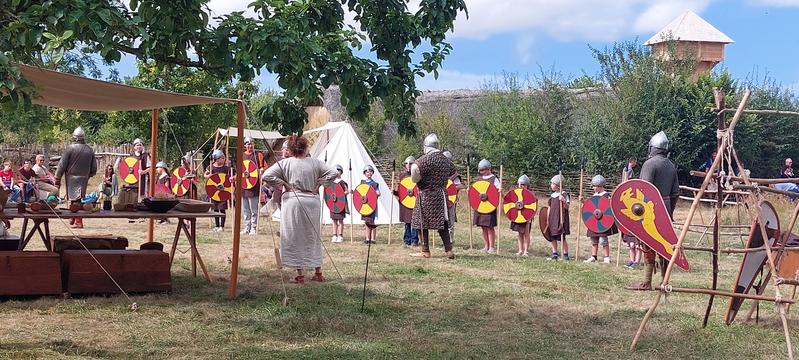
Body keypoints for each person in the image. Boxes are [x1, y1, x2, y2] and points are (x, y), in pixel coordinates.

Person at [262, 135, 338, 284]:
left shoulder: (285, 163)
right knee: (312, 236)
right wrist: (320, 183)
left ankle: (300, 274)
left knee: (294, 237)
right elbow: (334, 172)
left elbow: (266, 175)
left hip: (293, 202)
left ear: (290, 149)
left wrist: (283, 184)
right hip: (312, 201)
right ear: (305, 148)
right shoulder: (315, 163)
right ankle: (318, 272)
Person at [626, 131, 680, 291]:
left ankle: (646, 281)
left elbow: (643, 190)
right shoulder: (670, 165)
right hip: (666, 208)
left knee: (648, 243)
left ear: (652, 148)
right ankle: (664, 281)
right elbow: (675, 193)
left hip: (650, 210)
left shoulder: (650, 164)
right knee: (664, 245)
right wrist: (669, 211)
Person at [410, 133, 457, 259]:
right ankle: (449, 250)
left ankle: (425, 250)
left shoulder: (425, 159)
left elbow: (414, 168)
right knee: (443, 223)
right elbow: (453, 171)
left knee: (420, 221)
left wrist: (417, 179)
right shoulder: (445, 160)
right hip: (441, 195)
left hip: (426, 194)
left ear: (426, 146)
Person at [55, 127, 97, 229]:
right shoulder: (89, 149)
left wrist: (57, 177)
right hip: (84, 178)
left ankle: (78, 221)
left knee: (75, 200)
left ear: (74, 137)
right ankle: (73, 217)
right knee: (77, 199)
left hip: (72, 177)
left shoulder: (70, 148)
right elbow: (94, 168)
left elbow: (62, 164)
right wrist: (88, 174)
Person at [583, 175, 618, 264]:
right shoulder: (594, 196)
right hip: (594, 221)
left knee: (603, 240)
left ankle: (606, 257)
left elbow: (609, 209)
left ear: (599, 186)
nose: (593, 188)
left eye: (594, 186)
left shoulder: (606, 196)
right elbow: (590, 207)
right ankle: (593, 256)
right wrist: (583, 201)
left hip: (603, 222)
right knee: (594, 239)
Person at [233, 137, 261, 235]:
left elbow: (264, 167)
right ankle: (247, 227)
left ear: (254, 144)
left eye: (251, 143)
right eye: (247, 144)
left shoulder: (258, 155)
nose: (249, 146)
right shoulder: (241, 156)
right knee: (245, 209)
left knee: (253, 209)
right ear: (245, 145)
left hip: (253, 185)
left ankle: (253, 227)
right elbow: (240, 171)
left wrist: (260, 171)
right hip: (243, 185)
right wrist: (235, 177)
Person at [474, 159, 500, 254]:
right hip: (480, 206)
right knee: (483, 226)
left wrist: (499, 191)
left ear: (488, 169)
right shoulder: (479, 179)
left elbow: (497, 191)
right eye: (480, 171)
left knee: (489, 226)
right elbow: (475, 190)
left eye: (483, 170)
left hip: (489, 206)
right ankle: (486, 246)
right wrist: (470, 190)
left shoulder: (494, 179)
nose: (481, 172)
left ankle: (492, 247)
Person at [394, 156, 418, 247]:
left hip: (414, 201)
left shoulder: (417, 175)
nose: (408, 165)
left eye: (410, 164)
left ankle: (414, 240)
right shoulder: (402, 176)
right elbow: (402, 190)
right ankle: (407, 239)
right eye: (406, 164)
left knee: (414, 221)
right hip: (405, 201)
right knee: (407, 222)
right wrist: (395, 192)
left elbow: (418, 189)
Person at [443, 150, 466, 243]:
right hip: (440, 198)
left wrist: (451, 187)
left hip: (450, 199)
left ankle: (450, 240)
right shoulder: (439, 172)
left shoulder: (454, 174)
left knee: (450, 220)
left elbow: (460, 186)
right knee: (442, 220)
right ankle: (444, 240)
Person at [205, 149, 231, 232]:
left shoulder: (226, 168)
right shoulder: (211, 167)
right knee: (215, 208)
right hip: (214, 191)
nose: (223, 160)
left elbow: (231, 177)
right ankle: (216, 225)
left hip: (223, 191)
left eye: (224, 158)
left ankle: (222, 226)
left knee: (222, 208)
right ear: (216, 159)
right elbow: (205, 175)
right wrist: (209, 175)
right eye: (222, 158)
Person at [546, 174, 571, 261]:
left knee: (562, 237)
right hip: (553, 218)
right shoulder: (552, 196)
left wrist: (563, 201)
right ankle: (554, 253)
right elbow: (549, 207)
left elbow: (567, 207)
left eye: (553, 184)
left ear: (558, 185)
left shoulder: (564, 194)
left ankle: (565, 254)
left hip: (560, 219)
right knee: (553, 237)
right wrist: (547, 218)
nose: (551, 185)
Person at [510, 175, 533, 256]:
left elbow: (533, 206)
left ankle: (526, 251)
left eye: (524, 185)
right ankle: (520, 250)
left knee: (526, 233)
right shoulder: (516, 193)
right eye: (520, 184)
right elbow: (510, 202)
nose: (522, 186)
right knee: (520, 233)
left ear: (527, 186)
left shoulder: (530, 194)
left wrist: (530, 217)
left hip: (527, 216)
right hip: (518, 216)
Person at [361, 164, 381, 244]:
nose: (368, 173)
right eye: (367, 172)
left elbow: (378, 193)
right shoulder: (362, 183)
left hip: (371, 205)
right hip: (364, 205)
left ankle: (373, 239)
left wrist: (376, 193)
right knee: (366, 222)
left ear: (372, 173)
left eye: (370, 172)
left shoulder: (374, 184)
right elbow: (359, 193)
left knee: (371, 222)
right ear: (364, 173)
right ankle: (367, 238)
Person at [330, 164, 348, 243]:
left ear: (341, 172)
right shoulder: (331, 182)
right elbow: (328, 193)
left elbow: (346, 191)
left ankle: (340, 235)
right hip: (333, 204)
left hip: (340, 203)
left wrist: (344, 193)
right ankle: (334, 235)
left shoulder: (342, 182)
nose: (337, 172)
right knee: (334, 220)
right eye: (335, 171)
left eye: (338, 171)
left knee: (340, 220)